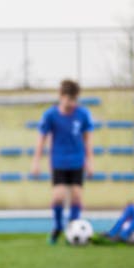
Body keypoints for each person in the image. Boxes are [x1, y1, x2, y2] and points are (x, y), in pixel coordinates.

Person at [31, 79, 94, 244]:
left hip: (77, 161)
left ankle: (72, 230)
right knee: (58, 197)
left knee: (77, 197)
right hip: (58, 161)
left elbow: (87, 140)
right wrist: (36, 162)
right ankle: (58, 227)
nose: (71, 103)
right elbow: (41, 139)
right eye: (68, 99)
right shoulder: (50, 115)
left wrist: (90, 162)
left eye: (74, 99)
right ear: (61, 96)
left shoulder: (82, 114)